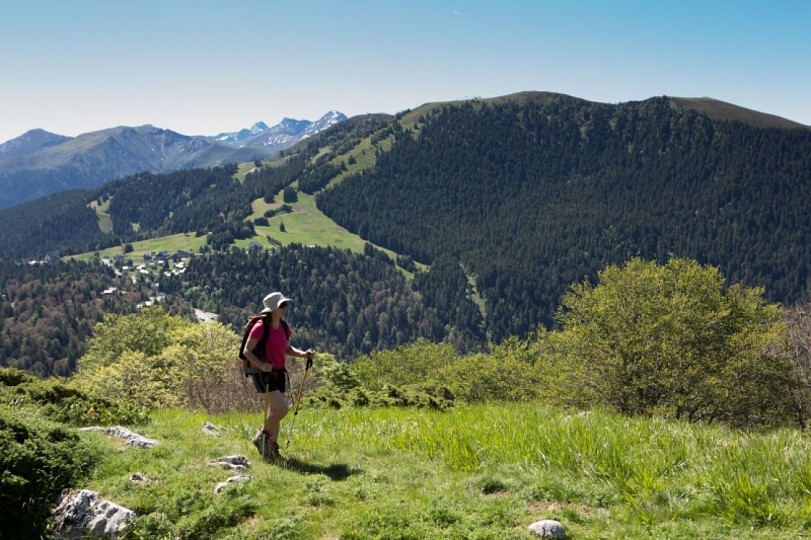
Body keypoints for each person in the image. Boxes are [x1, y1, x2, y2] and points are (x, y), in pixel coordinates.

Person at [242, 291, 315, 459]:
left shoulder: (283, 326)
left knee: (275, 410)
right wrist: (261, 365)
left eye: (285, 305)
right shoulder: (260, 327)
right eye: (282, 306)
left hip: (278, 373)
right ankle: (261, 437)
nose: (285, 308)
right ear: (272, 309)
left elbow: (287, 349)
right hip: (262, 374)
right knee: (282, 409)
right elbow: (247, 351)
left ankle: (271, 449)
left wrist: (304, 354)